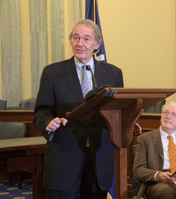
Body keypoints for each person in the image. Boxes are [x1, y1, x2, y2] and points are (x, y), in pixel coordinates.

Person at [33, 19, 124, 199]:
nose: (79, 43)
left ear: (97, 45)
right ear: (70, 41)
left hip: (99, 162)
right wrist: (48, 123)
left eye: (86, 39)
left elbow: (118, 112)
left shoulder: (114, 74)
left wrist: (129, 122)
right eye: (75, 38)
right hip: (64, 160)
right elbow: (41, 111)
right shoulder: (52, 72)